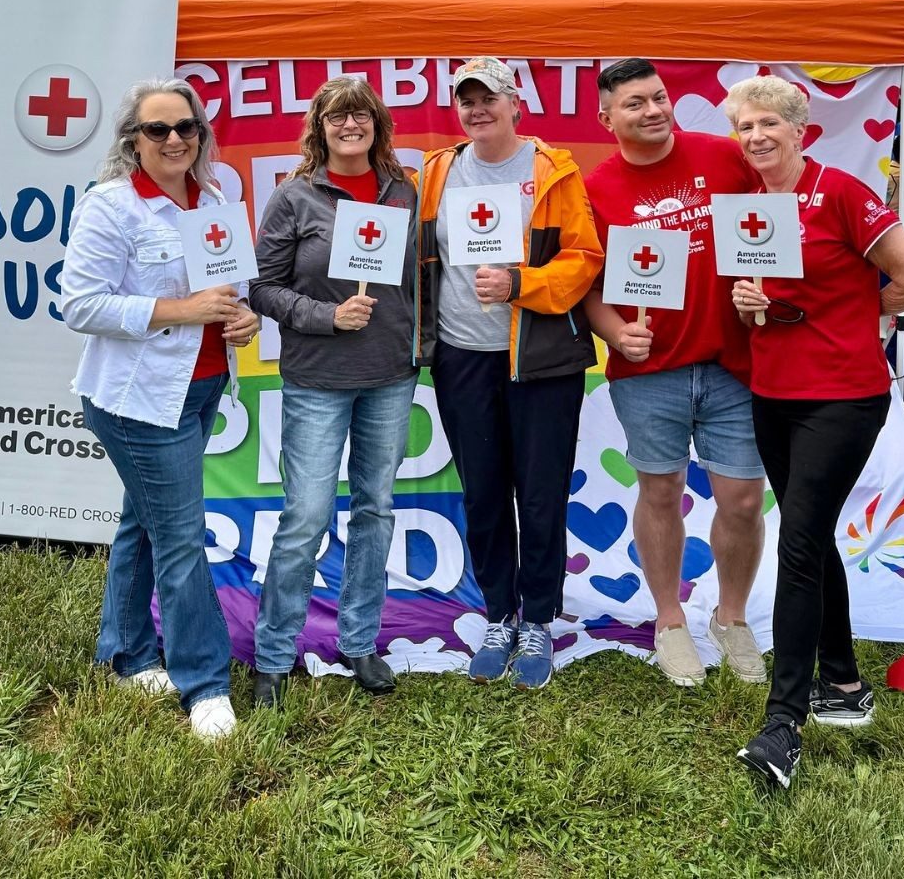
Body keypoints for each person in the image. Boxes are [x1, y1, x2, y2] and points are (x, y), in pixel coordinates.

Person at [725, 75, 904, 790]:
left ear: (799, 129)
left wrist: (851, 307)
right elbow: (763, 303)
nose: (754, 137)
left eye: (766, 124)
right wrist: (749, 301)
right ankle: (842, 684)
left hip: (842, 395)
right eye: (744, 126)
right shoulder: (751, 205)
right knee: (811, 537)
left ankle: (782, 724)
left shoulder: (841, 191)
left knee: (800, 542)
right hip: (772, 390)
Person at [62, 79, 258, 740]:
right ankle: (204, 684)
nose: (175, 139)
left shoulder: (216, 200)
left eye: (187, 128)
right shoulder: (111, 208)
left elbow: (233, 291)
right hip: (135, 402)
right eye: (158, 130)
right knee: (180, 538)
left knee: (142, 525)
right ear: (133, 141)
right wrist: (182, 311)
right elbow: (80, 305)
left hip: (200, 387)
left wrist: (243, 318)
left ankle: (124, 650)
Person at [413, 56, 603, 690]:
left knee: (542, 493)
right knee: (485, 493)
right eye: (465, 100)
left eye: (488, 96)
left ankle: (540, 620)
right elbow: (415, 257)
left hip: (540, 358)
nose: (476, 109)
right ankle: (498, 613)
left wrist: (522, 283)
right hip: (463, 356)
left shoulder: (554, 170)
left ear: (515, 102)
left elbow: (585, 257)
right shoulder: (437, 171)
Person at [582, 58, 767, 689]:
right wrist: (615, 331)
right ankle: (668, 622)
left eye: (659, 97)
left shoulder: (724, 157)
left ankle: (732, 618)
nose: (655, 110)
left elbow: (776, 232)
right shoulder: (595, 188)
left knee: (742, 498)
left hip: (734, 362)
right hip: (649, 370)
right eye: (635, 104)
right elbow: (586, 285)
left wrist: (768, 289)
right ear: (606, 119)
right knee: (660, 493)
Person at [249, 77, 417, 708]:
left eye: (361, 115)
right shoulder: (293, 198)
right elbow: (261, 289)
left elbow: (420, 281)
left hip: (390, 377)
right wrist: (327, 316)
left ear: (377, 124)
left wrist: (417, 349)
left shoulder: (403, 192)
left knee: (375, 508)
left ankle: (359, 641)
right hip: (318, 378)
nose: (350, 126)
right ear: (318, 128)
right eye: (337, 117)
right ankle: (273, 653)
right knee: (307, 517)